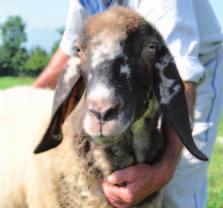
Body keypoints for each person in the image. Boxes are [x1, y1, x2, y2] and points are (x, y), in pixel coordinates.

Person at [34, 0, 223, 207]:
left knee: (177, 184)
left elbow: (183, 74)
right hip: (119, 76)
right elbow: (74, 48)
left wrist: (163, 171)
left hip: (188, 76)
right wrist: (24, 98)